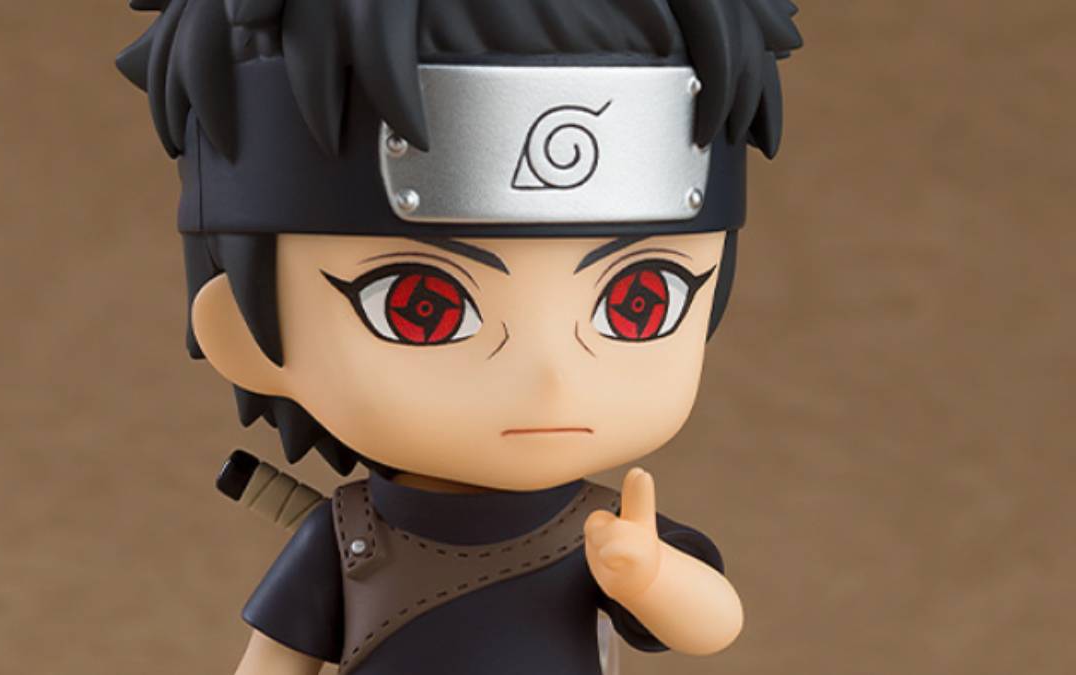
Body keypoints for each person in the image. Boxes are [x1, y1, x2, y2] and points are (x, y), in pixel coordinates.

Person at [117, 1, 802, 673]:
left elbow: (715, 622)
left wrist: (650, 578)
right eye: (423, 309)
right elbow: (272, 660)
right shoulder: (349, 539)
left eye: (639, 303)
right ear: (243, 335)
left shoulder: (607, 531)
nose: (550, 376)